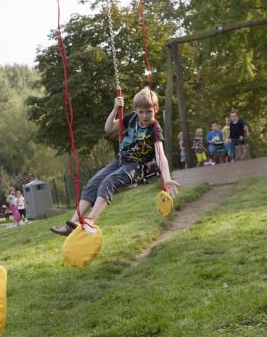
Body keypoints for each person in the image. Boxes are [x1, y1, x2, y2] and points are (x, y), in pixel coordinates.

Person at [50, 87, 179, 236]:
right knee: (94, 182)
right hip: (120, 161)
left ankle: (90, 221)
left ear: (155, 109)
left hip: (136, 166)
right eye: (141, 111)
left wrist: (167, 178)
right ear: (135, 110)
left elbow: (160, 155)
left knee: (109, 181)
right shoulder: (131, 118)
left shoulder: (155, 129)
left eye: (148, 111)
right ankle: (72, 224)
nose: (144, 116)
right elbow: (108, 128)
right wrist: (115, 109)